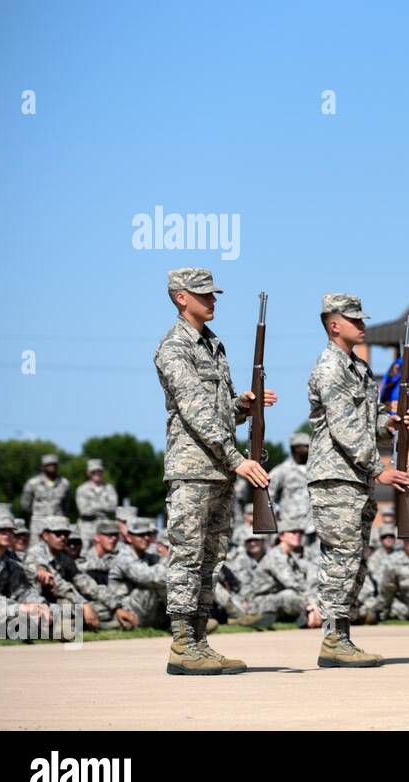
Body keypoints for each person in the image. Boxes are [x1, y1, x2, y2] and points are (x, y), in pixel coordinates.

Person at [154, 267, 278, 675]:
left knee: (212, 557)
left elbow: (220, 413)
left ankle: (200, 640)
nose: (213, 300)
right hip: (193, 469)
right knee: (188, 556)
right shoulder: (174, 347)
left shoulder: (212, 345)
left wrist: (244, 405)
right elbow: (195, 411)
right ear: (180, 297)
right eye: (203, 294)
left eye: (213, 294)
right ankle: (181, 643)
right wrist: (236, 457)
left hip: (220, 469)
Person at [307, 293, 409, 668]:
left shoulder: (360, 369)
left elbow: (369, 422)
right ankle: (334, 638)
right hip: (337, 475)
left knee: (354, 559)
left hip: (355, 477)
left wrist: (389, 422)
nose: (363, 325)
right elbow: (345, 427)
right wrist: (377, 467)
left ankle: (343, 636)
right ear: (334, 325)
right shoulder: (331, 367)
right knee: (341, 558)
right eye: (355, 320)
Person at [269, 432, 314, 530]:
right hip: (290, 527)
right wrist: (273, 518)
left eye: (309, 446)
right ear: (295, 448)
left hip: (314, 527)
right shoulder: (281, 470)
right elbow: (268, 495)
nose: (308, 448)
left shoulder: (316, 469)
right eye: (305, 446)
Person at [21, 454, 71, 536]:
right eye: (48, 465)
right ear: (43, 466)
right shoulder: (33, 483)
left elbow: (66, 505)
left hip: (58, 524)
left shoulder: (65, 483)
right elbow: (25, 505)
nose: (51, 467)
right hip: (39, 524)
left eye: (54, 464)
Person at [74, 459, 119, 523]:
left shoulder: (110, 488)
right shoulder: (81, 489)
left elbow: (113, 507)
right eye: (93, 471)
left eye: (99, 471)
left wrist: (92, 506)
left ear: (102, 472)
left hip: (106, 525)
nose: (97, 473)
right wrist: (104, 506)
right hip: (87, 525)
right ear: (88, 473)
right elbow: (83, 510)